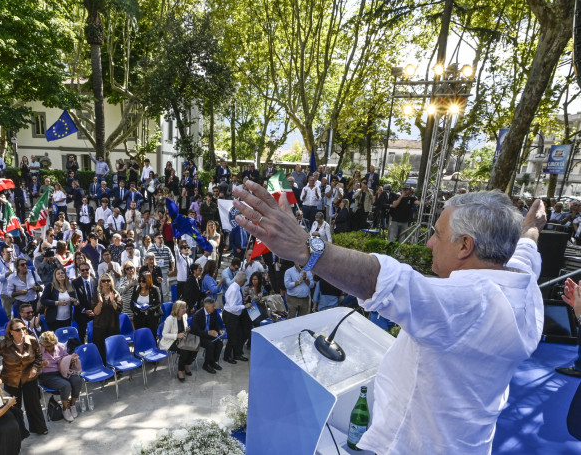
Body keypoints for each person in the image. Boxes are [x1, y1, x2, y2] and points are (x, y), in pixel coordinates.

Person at [234, 183, 547, 454]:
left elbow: (384, 281)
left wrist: (306, 249)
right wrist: (531, 229)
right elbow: (526, 252)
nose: (429, 243)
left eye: (438, 235)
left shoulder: (468, 304)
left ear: (466, 245)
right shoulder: (521, 284)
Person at [0, 319, 47, 435]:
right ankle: (18, 432)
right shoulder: (3, 345)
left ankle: (39, 427)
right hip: (11, 379)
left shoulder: (32, 341)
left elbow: (39, 357)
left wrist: (35, 368)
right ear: (11, 332)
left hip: (29, 377)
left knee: (33, 404)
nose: (22, 331)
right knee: (14, 407)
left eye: (24, 328)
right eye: (18, 329)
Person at [38, 331, 83, 422]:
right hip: (47, 375)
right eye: (47, 346)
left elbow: (66, 359)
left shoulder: (60, 346)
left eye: (51, 345)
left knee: (77, 381)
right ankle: (65, 409)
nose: (49, 348)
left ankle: (72, 404)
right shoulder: (38, 350)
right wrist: (41, 365)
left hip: (62, 371)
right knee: (65, 385)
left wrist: (71, 360)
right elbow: (34, 368)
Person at [159, 300, 197, 382]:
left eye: (185, 307)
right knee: (185, 350)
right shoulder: (169, 319)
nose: (185, 309)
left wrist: (187, 329)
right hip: (170, 341)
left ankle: (186, 365)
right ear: (177, 309)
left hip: (181, 339)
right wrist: (176, 335)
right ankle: (180, 371)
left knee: (194, 348)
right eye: (182, 308)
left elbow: (184, 328)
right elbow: (164, 334)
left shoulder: (184, 316)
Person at [221, 272, 250, 364]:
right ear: (242, 281)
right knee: (232, 337)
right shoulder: (234, 289)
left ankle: (237, 354)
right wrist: (244, 306)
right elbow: (233, 307)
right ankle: (227, 356)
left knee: (238, 336)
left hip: (234, 315)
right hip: (230, 315)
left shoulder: (235, 287)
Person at [90, 275, 121, 359]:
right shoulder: (96, 295)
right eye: (104, 281)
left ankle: (115, 368)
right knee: (101, 349)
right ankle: (103, 366)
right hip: (99, 327)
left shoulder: (116, 294)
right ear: (100, 283)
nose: (106, 282)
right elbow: (96, 312)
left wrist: (113, 301)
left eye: (108, 280)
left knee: (113, 348)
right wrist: (100, 302)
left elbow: (118, 310)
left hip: (112, 326)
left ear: (111, 282)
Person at [191, 297, 224, 374]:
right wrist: (208, 333)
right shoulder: (197, 315)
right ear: (207, 307)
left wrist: (219, 330)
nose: (214, 307)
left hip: (209, 333)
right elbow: (196, 331)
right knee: (210, 344)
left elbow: (216, 324)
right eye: (213, 306)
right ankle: (206, 365)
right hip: (200, 336)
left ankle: (212, 362)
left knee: (220, 343)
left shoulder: (214, 312)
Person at [128, 271, 161, 335]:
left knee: (151, 336)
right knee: (140, 336)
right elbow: (132, 302)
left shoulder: (155, 289)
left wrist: (148, 310)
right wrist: (137, 310)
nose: (141, 283)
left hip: (151, 317)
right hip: (139, 317)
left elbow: (158, 303)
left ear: (148, 280)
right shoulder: (136, 288)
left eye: (143, 281)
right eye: (140, 281)